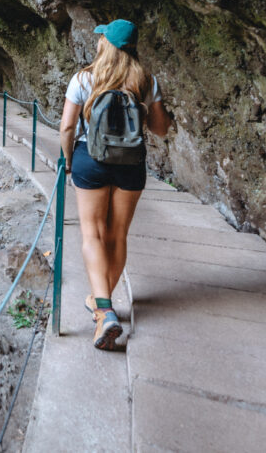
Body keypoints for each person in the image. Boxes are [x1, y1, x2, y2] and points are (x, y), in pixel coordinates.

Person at [59, 19, 171, 350]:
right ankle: (100, 300)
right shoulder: (146, 81)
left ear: (106, 44)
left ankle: (103, 310)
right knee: (117, 235)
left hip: (89, 161)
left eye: (101, 37)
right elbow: (160, 129)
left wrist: (67, 161)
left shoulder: (84, 78)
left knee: (92, 234)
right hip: (131, 166)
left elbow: (67, 127)